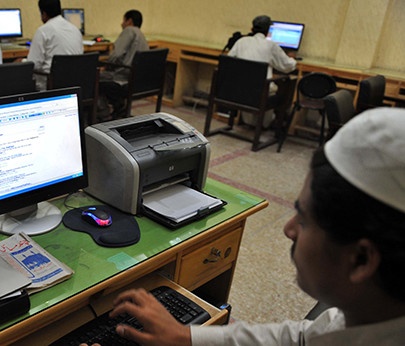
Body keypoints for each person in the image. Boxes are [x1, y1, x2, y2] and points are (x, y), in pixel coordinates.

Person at [81, 108, 405, 345]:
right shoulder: (367, 316)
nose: (288, 229)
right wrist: (185, 336)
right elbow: (302, 339)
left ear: (361, 259)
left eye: (304, 220)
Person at [228, 15, 297, 128]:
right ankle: (267, 125)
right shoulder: (271, 46)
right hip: (261, 95)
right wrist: (292, 59)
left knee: (252, 84)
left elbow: (229, 62)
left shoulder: (241, 42)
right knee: (284, 85)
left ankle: (249, 122)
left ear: (252, 29)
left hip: (238, 92)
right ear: (268, 31)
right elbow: (287, 66)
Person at [98, 10, 149, 119]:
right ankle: (119, 107)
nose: (122, 24)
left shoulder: (129, 30)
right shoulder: (141, 36)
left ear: (129, 21)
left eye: (123, 20)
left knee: (93, 77)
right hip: (137, 81)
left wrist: (105, 66)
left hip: (122, 79)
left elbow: (116, 55)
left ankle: (103, 114)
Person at [25, 0, 84, 91]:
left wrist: (21, 62)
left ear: (43, 13)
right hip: (74, 85)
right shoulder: (75, 29)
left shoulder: (43, 31)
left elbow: (34, 64)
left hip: (51, 85)